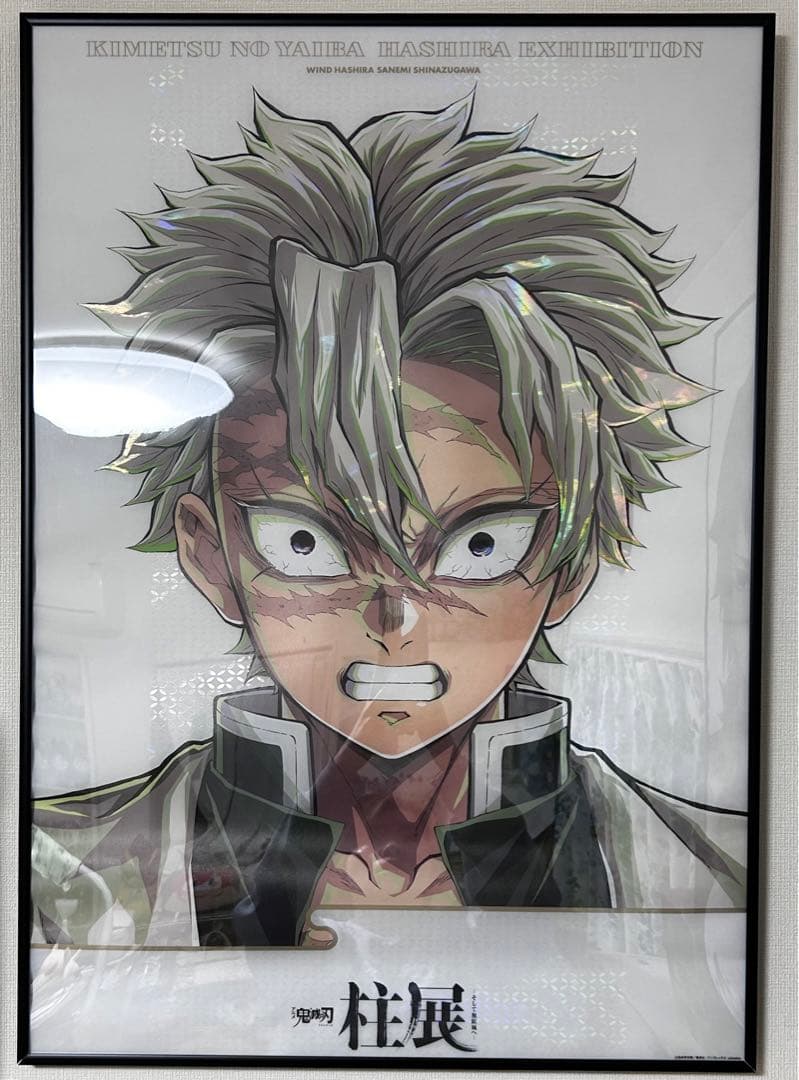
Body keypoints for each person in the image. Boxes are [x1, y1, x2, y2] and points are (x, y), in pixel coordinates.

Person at [31, 93, 746, 949]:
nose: (394, 618)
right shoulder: (49, 881)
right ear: (210, 555)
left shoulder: (722, 881)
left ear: (571, 563)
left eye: (480, 546)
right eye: (304, 544)